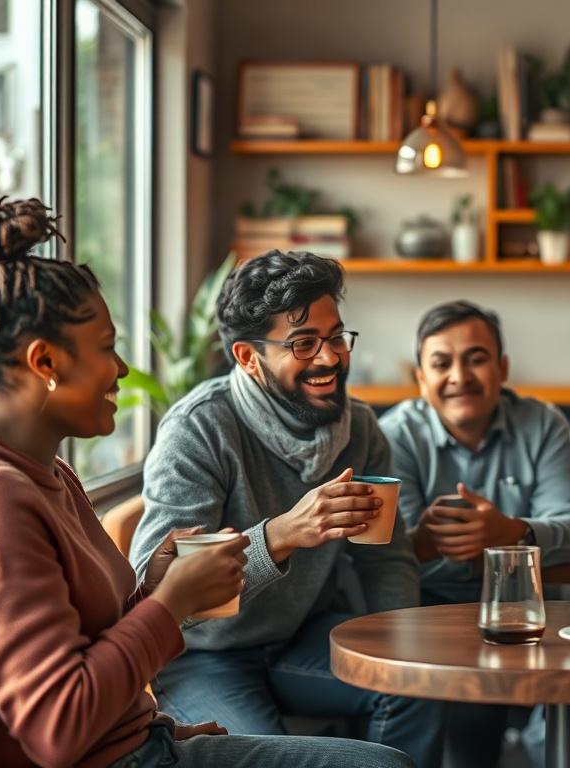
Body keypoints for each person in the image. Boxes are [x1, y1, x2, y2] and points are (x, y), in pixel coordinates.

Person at [0, 197, 414, 768]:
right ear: (46, 364)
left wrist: (152, 598)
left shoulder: (46, 471)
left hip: (145, 738)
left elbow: (91, 646)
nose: (123, 369)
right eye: (107, 348)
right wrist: (173, 600)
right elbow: (57, 728)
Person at [128, 251, 440, 767]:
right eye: (303, 343)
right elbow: (153, 591)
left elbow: (387, 558)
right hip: (204, 659)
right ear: (248, 357)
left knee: (419, 683)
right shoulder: (199, 430)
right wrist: (281, 535)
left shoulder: (359, 429)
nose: (330, 358)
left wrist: (399, 646)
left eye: (336, 337)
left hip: (300, 640)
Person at [379, 300, 570, 768]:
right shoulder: (394, 435)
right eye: (441, 363)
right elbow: (393, 554)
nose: (459, 376)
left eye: (476, 358)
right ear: (420, 377)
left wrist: (509, 531)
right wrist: (433, 542)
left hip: (534, 616)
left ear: (503, 367)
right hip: (430, 615)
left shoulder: (542, 423)